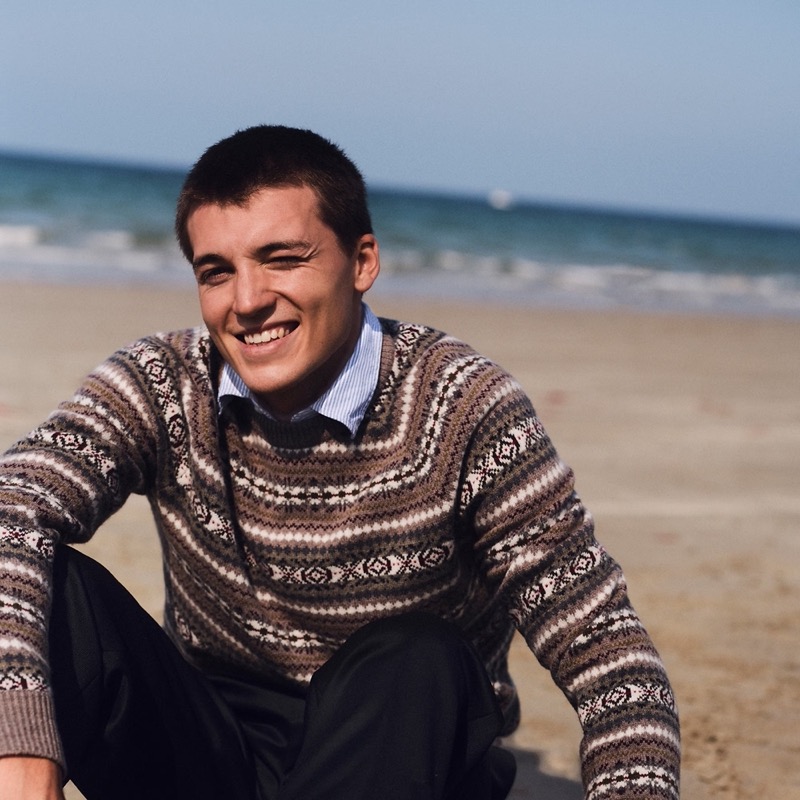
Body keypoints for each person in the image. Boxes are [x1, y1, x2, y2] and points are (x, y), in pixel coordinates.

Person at [0, 125, 680, 799]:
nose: (247, 301)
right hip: (217, 747)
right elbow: (13, 505)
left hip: (402, 748)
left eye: (283, 259)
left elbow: (608, 654)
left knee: (418, 657)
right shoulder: (164, 382)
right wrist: (22, 745)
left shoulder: (464, 406)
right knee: (47, 579)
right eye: (217, 271)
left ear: (362, 262)